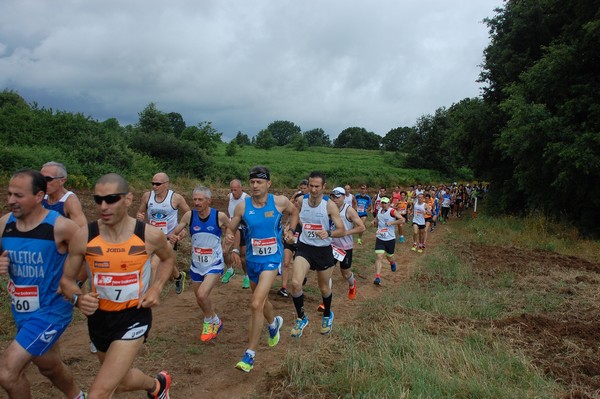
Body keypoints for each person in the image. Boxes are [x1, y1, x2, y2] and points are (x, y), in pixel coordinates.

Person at [61, 173, 176, 399]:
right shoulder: (84, 236)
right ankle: (157, 385)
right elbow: (66, 280)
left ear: (128, 199)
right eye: (98, 200)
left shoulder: (149, 235)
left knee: (99, 393)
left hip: (134, 316)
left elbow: (168, 258)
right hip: (99, 319)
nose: (103, 206)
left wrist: (156, 288)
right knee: (120, 382)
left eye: (112, 199)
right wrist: (78, 298)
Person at [0, 169, 85, 399]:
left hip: (51, 310)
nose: (11, 201)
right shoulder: (4, 224)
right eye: (9, 194)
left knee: (7, 372)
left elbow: (88, 258)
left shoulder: (60, 226)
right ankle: (78, 396)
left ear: (39, 196)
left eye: (18, 195)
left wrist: (72, 283)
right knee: (48, 365)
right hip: (22, 310)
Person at [224, 166, 298, 373]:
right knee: (262, 300)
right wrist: (229, 236)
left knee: (255, 303)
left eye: (259, 182)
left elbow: (295, 212)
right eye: (253, 182)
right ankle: (274, 323)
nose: (255, 186)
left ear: (268, 184)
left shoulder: (279, 202)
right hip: (253, 261)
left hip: (272, 260)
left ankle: (250, 354)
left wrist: (290, 230)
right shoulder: (242, 206)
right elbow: (231, 228)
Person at [40, 161, 96, 353]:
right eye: (40, 178)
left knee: (84, 300)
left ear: (62, 180)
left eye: (47, 179)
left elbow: (84, 238)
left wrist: (77, 278)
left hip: (71, 261)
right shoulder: (41, 197)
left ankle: (97, 335)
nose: (42, 182)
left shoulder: (69, 201)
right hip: (49, 261)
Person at [169, 186, 231, 342]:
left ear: (208, 201)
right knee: (199, 297)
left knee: (203, 294)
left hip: (214, 264)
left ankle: (208, 321)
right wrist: (175, 236)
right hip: (196, 264)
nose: (196, 202)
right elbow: (177, 231)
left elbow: (232, 229)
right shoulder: (189, 216)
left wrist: (229, 247)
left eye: (200, 199)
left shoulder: (219, 216)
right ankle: (215, 320)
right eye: (195, 199)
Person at [289, 171, 345, 338]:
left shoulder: (329, 205)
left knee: (324, 288)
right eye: (311, 186)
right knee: (296, 283)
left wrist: (328, 233)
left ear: (323, 187)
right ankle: (301, 318)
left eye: (316, 187)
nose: (313, 190)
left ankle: (327, 314)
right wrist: (291, 230)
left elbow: (341, 229)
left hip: (323, 250)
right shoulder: (301, 200)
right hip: (305, 248)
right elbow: (294, 214)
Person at [137, 172, 190, 294]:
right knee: (165, 260)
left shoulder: (176, 198)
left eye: (158, 184)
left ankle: (150, 294)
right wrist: (139, 217)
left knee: (154, 264)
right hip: (152, 237)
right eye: (153, 184)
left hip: (169, 237)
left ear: (166, 184)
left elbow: (189, 215)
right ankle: (178, 277)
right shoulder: (147, 196)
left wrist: (182, 231)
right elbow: (140, 213)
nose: (154, 186)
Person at [330, 187, 365, 299]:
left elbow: (362, 227)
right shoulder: (329, 208)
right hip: (331, 246)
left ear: (344, 197)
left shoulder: (349, 210)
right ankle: (326, 300)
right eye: (333, 197)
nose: (335, 199)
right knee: (326, 273)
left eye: (338, 197)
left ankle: (352, 283)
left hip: (345, 247)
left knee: (345, 273)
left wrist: (346, 232)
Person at [222, 179, 250, 289]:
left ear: (241, 188)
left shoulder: (247, 198)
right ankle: (229, 270)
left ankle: (246, 276)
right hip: (232, 228)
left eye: (235, 190)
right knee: (224, 251)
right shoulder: (229, 196)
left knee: (243, 256)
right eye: (231, 190)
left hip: (243, 229)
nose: (233, 192)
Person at [371, 196, 405, 285]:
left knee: (389, 257)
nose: (383, 204)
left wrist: (392, 222)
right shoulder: (379, 211)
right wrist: (373, 221)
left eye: (385, 203)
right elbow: (377, 218)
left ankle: (392, 262)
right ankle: (377, 277)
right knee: (379, 256)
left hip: (390, 239)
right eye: (382, 203)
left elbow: (402, 219)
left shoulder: (392, 211)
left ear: (389, 204)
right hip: (380, 238)